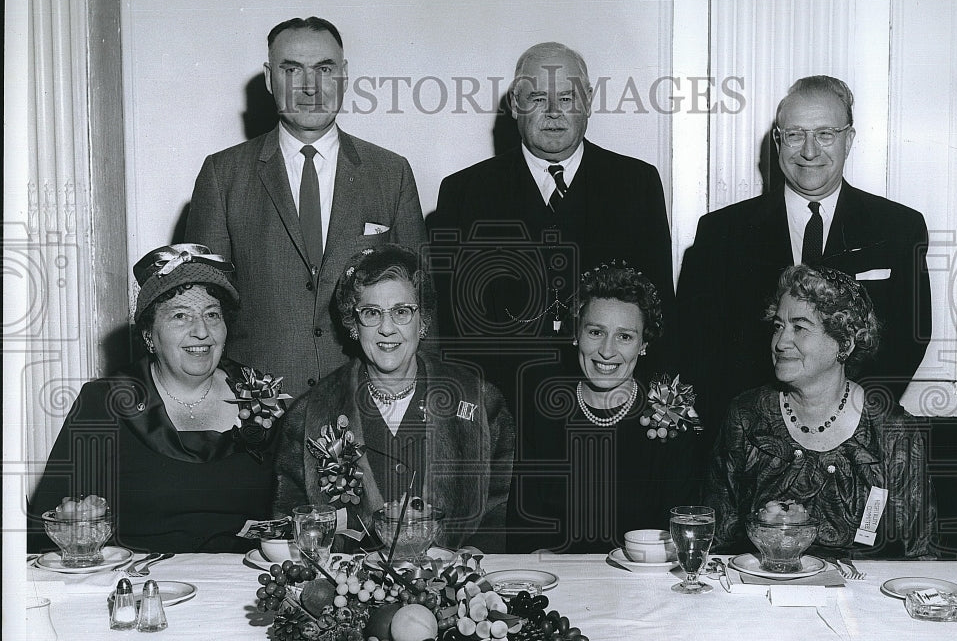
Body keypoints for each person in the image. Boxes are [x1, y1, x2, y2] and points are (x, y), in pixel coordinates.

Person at [677, 75, 931, 441]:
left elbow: (911, 334)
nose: (809, 151)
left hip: (860, 435)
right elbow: (697, 341)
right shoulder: (721, 232)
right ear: (779, 140)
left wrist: (852, 418)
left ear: (849, 139)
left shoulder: (899, 227)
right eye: (796, 134)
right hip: (750, 440)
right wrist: (750, 427)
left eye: (825, 134)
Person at [186, 16, 427, 397]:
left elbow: (422, 303)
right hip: (254, 413)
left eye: (324, 70)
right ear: (269, 79)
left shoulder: (390, 172)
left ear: (344, 76)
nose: (310, 87)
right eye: (292, 70)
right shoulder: (223, 174)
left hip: (367, 404)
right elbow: (200, 306)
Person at [428, 42, 676, 408]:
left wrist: (655, 407)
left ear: (589, 101)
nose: (555, 113)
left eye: (567, 98)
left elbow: (659, 310)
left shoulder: (637, 184)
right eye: (539, 99)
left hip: (611, 407)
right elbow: (450, 326)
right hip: (504, 413)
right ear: (515, 104)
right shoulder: (464, 192)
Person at [28, 244, 286, 554]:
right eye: (180, 316)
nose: (202, 331)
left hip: (247, 581)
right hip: (139, 584)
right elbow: (47, 527)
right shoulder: (103, 404)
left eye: (212, 315)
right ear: (150, 335)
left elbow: (297, 515)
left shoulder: (262, 397)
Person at [273, 244, 515, 552]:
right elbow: (291, 530)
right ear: (353, 322)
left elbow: (500, 515)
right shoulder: (310, 414)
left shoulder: (481, 403)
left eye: (401, 312)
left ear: (422, 320)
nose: (387, 329)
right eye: (372, 313)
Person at [705, 265, 938, 559]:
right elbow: (715, 544)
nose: (780, 342)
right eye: (778, 326)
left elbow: (922, 557)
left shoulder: (893, 430)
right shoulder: (746, 416)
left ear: (845, 343)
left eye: (799, 327)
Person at [506, 262, 700, 554]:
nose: (607, 351)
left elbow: (679, 534)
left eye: (625, 336)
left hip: (644, 586)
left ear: (643, 344)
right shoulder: (542, 413)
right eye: (596, 332)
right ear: (576, 334)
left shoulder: (671, 416)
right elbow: (524, 533)